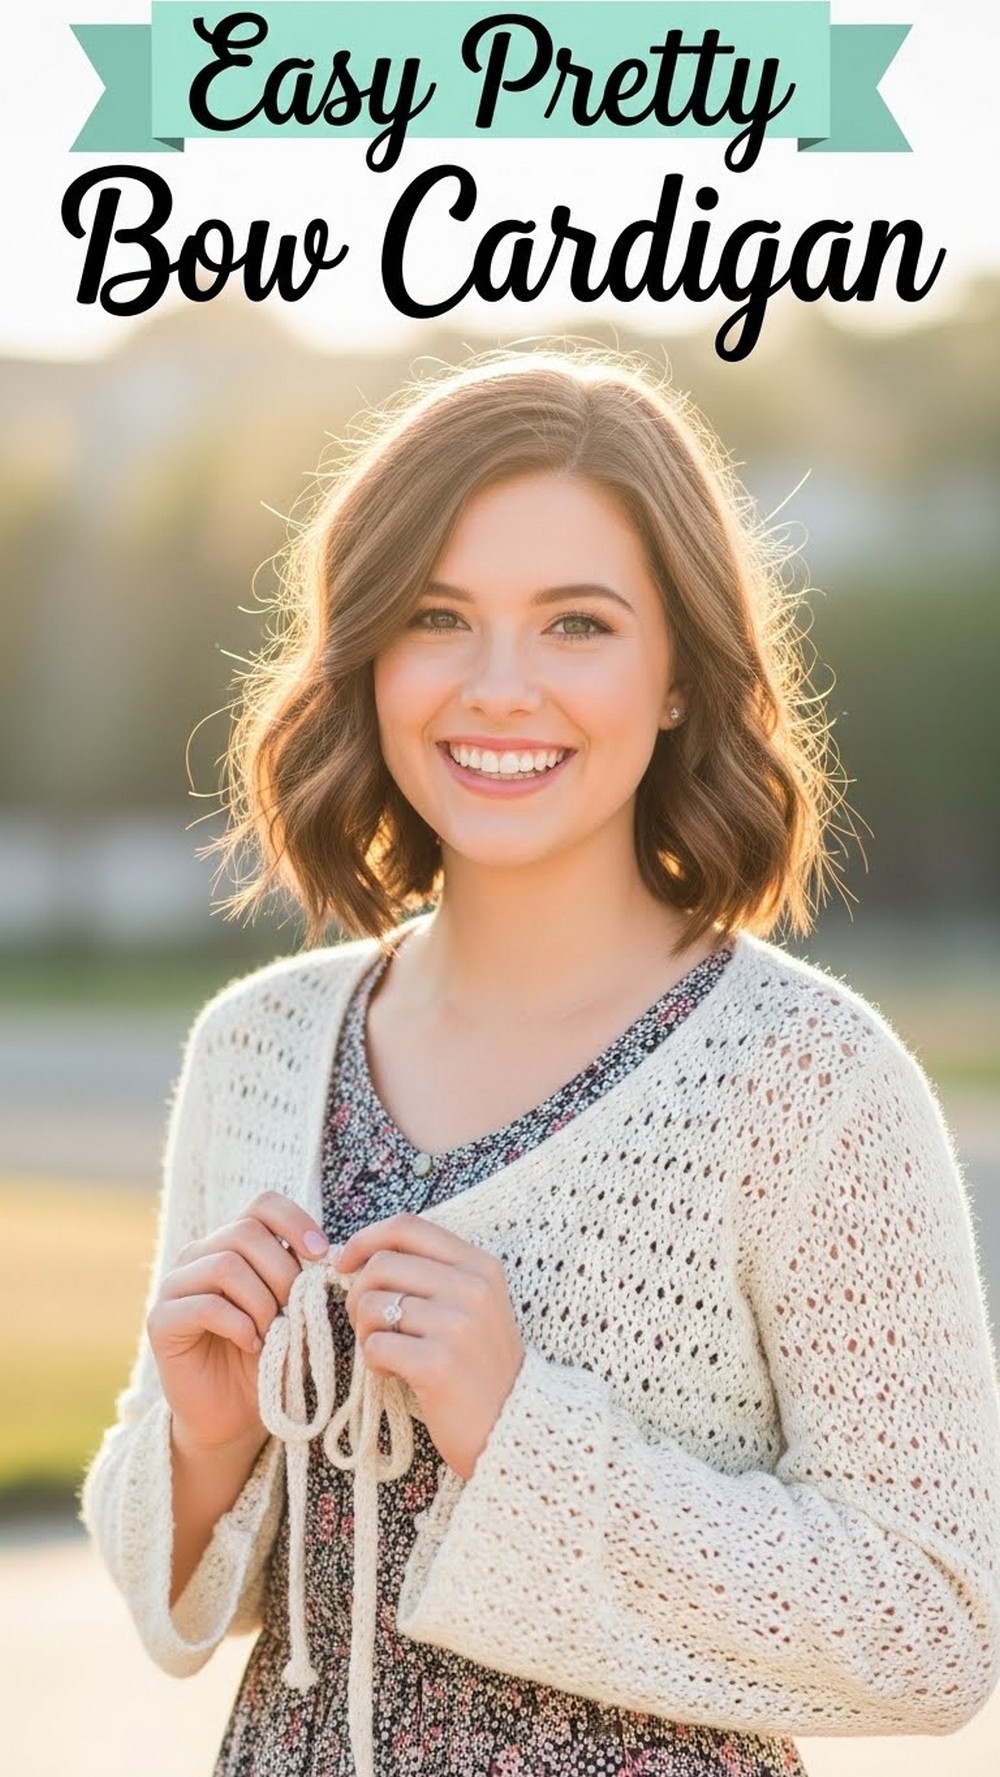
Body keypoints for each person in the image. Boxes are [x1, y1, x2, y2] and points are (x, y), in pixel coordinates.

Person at [82, 350, 1000, 1777]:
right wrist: (204, 1443)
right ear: (371, 656)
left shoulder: (811, 1083)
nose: (498, 687)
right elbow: (175, 1600)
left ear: (683, 675)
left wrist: (523, 1432)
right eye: (437, 616)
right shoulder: (253, 1049)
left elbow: (936, 1624)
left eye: (577, 623)